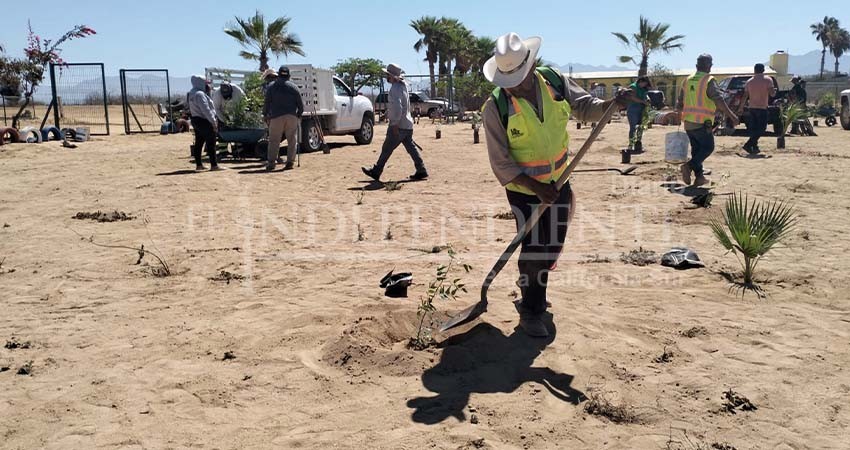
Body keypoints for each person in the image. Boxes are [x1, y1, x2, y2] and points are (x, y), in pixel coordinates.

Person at [481, 32, 631, 337]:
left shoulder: (554, 82)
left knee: (550, 250)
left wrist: (611, 104)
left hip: (560, 182)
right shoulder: (495, 108)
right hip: (524, 192)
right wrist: (536, 188)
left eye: (520, 77)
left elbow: (586, 107)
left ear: (531, 63)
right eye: (509, 80)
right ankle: (531, 311)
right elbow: (501, 162)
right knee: (535, 251)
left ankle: (528, 281)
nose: (517, 85)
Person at [676, 54, 739, 187]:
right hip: (701, 122)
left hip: (688, 122)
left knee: (696, 149)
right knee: (708, 148)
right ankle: (688, 166)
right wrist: (731, 115)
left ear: (696, 66)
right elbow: (719, 99)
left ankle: (699, 178)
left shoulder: (687, 80)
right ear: (709, 66)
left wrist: (677, 114)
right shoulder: (708, 80)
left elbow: (680, 102)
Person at [362, 63, 428, 181]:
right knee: (411, 148)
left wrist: (395, 124)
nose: (386, 77)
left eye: (387, 75)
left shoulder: (395, 89)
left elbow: (398, 108)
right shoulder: (402, 87)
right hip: (407, 124)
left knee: (387, 148)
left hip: (399, 125)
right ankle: (421, 169)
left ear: (391, 76)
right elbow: (398, 106)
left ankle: (376, 171)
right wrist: (387, 114)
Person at [263, 66, 304, 171]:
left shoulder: (271, 87)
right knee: (292, 140)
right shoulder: (294, 87)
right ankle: (290, 162)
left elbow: (267, 103)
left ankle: (271, 163)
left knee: (274, 140)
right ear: (289, 76)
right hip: (291, 116)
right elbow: (300, 104)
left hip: (276, 117)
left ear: (278, 74)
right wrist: (298, 115)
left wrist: (265, 115)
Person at [739, 63, 776, 154]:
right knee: (762, 129)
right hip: (762, 107)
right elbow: (772, 94)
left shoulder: (749, 81)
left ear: (754, 70)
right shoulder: (768, 80)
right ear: (763, 70)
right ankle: (748, 145)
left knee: (754, 129)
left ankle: (754, 147)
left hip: (752, 108)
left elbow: (745, 96)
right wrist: (773, 90)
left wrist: (740, 107)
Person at [187, 75, 222, 171]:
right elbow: (206, 110)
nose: (208, 86)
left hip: (196, 120)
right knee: (211, 143)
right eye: (206, 84)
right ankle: (214, 165)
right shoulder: (200, 94)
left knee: (199, 143)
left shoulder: (192, 93)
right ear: (201, 83)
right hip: (204, 121)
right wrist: (213, 122)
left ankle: (199, 165)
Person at [627, 76, 652, 152]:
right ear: (640, 81)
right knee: (633, 128)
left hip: (642, 109)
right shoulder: (633, 87)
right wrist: (642, 101)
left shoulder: (643, 89)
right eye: (644, 83)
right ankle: (631, 145)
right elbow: (632, 97)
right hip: (632, 109)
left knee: (641, 127)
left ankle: (638, 144)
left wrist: (648, 99)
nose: (644, 85)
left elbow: (646, 95)